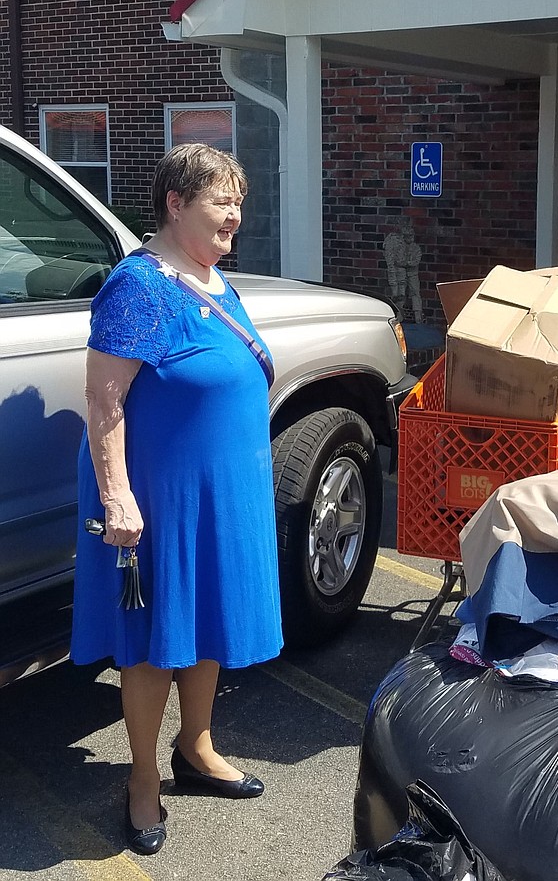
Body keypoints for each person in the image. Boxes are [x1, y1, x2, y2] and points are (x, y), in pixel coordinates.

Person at [70, 144, 283, 855]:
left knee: (205, 625)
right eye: (223, 200)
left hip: (219, 493)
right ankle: (142, 780)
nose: (236, 215)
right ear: (176, 202)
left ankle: (196, 747)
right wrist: (117, 496)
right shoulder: (141, 285)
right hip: (159, 499)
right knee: (152, 645)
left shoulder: (214, 279)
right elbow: (104, 398)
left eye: (239, 202)